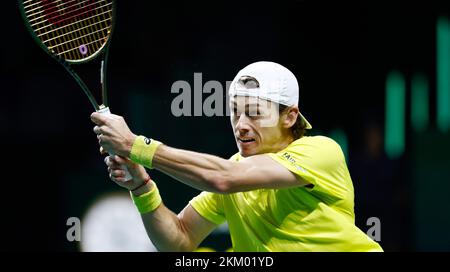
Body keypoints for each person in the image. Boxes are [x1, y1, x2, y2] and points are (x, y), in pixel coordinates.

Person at [91, 61, 383, 252]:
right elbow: (179, 240)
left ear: (290, 116)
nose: (241, 124)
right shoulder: (236, 171)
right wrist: (142, 186)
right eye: (235, 112)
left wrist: (135, 146)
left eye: (255, 113)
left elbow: (223, 178)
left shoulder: (321, 152)